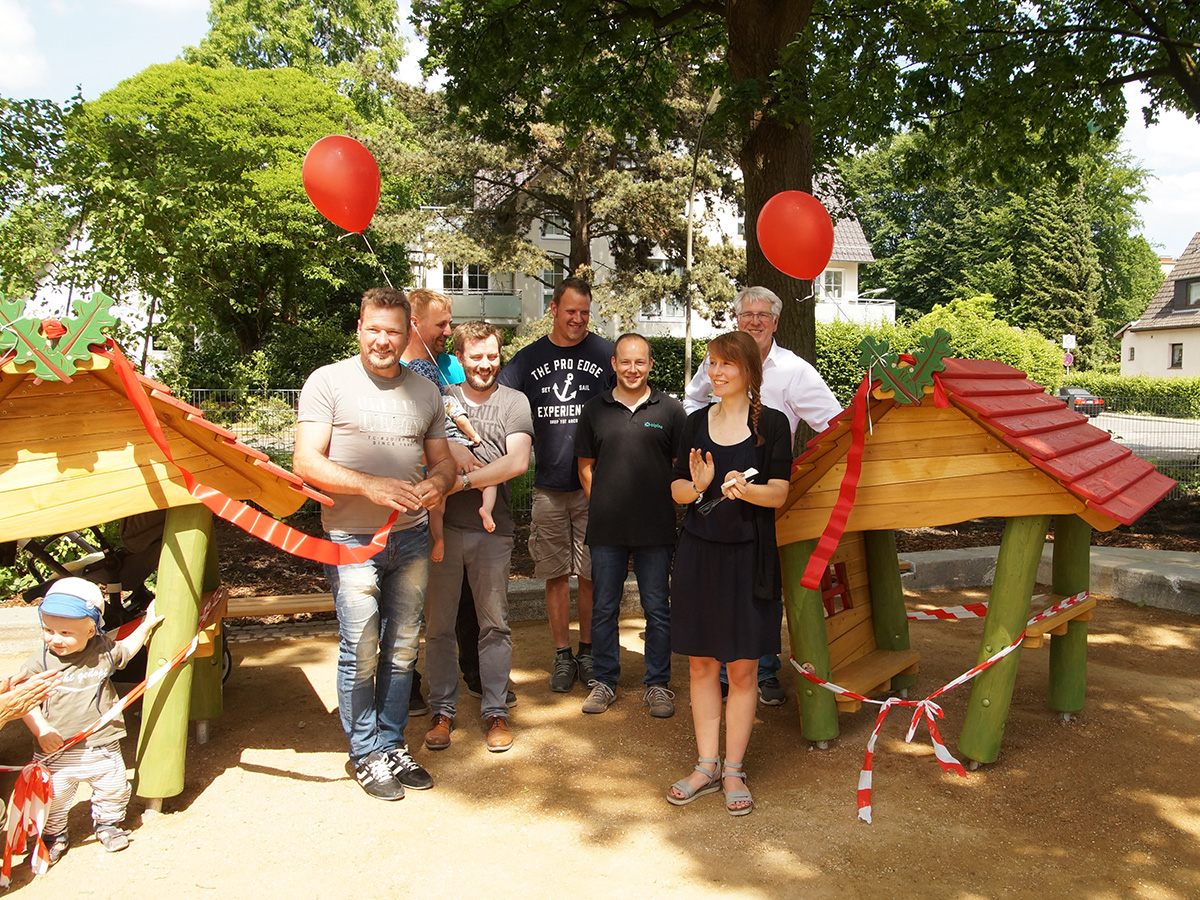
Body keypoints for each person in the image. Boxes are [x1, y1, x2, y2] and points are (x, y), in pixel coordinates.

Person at [294, 286, 455, 801]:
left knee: (404, 648)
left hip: (408, 540)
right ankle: (364, 752)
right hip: (350, 539)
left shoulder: (425, 391)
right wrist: (369, 485)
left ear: (407, 332)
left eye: (393, 330)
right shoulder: (328, 381)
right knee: (360, 648)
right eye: (374, 329)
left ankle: (391, 745)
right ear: (359, 328)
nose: (383, 340)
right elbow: (306, 462)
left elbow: (445, 460)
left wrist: (440, 484)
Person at [683, 285, 841, 705]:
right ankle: (719, 667)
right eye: (747, 313)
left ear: (776, 321)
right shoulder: (716, 362)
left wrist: (800, 471)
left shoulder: (794, 371)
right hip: (715, 487)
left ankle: (763, 669)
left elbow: (835, 425)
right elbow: (693, 402)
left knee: (760, 582)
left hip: (768, 490)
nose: (754, 320)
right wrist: (696, 445)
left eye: (763, 314)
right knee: (719, 581)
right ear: (737, 319)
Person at [667, 331, 791, 817]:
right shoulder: (695, 422)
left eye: (727, 365)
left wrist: (748, 490)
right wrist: (698, 488)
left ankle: (734, 769)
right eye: (712, 363)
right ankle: (706, 765)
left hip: (749, 557)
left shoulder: (773, 426)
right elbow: (676, 488)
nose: (716, 372)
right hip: (699, 553)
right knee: (701, 664)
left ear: (749, 372)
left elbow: (779, 492)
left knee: (741, 668)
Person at [498, 277, 614, 692]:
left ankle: (587, 651)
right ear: (554, 309)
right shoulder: (529, 359)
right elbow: (498, 397)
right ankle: (562, 654)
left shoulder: (605, 354)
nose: (578, 319)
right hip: (548, 486)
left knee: (589, 574)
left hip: (593, 487)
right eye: (570, 312)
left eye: (584, 312)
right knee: (553, 573)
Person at [423, 322, 534, 753]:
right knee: (439, 627)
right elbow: (425, 451)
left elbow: (517, 462)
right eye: (476, 357)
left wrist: (463, 483)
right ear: (460, 358)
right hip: (444, 530)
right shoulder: (440, 399)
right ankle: (442, 711)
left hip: (493, 532)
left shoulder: (515, 402)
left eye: (492, 356)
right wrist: (454, 460)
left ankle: (495, 711)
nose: (485, 365)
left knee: (494, 626)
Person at [575, 333, 686, 718]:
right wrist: (604, 504)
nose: (633, 369)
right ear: (614, 364)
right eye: (625, 362)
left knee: (658, 607)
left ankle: (658, 684)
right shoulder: (594, 409)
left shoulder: (671, 411)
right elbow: (585, 466)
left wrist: (664, 504)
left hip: (656, 529)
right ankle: (604, 680)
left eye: (640, 362)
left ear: (651, 364)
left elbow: (681, 467)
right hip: (607, 529)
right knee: (604, 607)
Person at [20, 577, 163, 862]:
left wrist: (146, 625)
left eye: (65, 632)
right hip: (57, 749)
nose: (55, 639)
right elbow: (24, 702)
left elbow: (126, 650)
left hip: (101, 742)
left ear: (91, 629)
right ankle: (54, 833)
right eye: (47, 630)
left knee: (113, 786)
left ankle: (108, 823)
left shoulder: (101, 651)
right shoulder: (40, 662)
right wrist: (41, 729)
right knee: (55, 796)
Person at [401, 289, 497, 562]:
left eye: (449, 323)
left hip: (464, 510)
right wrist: (448, 448)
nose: (448, 330)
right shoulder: (391, 369)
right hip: (412, 504)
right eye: (441, 324)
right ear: (414, 324)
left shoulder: (455, 365)